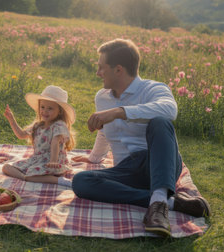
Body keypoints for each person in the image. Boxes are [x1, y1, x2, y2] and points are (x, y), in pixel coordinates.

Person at [71, 39, 211, 236]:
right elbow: (103, 131)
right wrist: (94, 158)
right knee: (81, 182)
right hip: (127, 170)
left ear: (118, 69)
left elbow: (170, 109)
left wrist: (119, 112)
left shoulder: (153, 89)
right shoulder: (101, 97)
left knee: (160, 122)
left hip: (160, 164)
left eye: (101, 68)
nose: (98, 73)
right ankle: (166, 202)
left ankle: (159, 202)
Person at [2, 85, 76, 187]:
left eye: (50, 108)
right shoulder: (38, 125)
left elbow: (55, 141)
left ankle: (59, 180)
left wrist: (53, 161)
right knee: (6, 167)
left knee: (33, 172)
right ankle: (25, 177)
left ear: (60, 111)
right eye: (42, 107)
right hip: (37, 160)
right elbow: (21, 134)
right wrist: (11, 119)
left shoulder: (59, 125)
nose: (45, 111)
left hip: (53, 161)